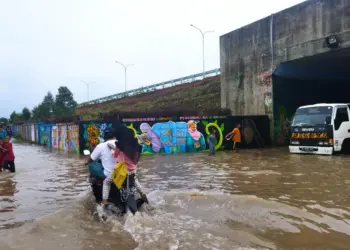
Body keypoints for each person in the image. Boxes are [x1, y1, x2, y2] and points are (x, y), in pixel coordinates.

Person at [102, 125, 147, 215]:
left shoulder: (119, 145)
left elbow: (115, 155)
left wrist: (113, 149)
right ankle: (145, 197)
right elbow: (134, 160)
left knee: (107, 181)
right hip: (132, 172)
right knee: (135, 182)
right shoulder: (135, 147)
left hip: (122, 172)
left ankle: (104, 202)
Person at [87, 127, 118, 203]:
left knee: (92, 165)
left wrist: (87, 162)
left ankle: (103, 202)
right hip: (124, 174)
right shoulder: (121, 143)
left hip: (109, 175)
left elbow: (91, 159)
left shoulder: (100, 146)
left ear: (104, 136)